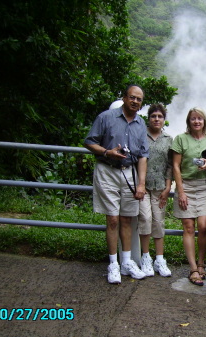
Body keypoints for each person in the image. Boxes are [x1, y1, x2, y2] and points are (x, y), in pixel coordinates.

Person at [84, 85, 148, 284]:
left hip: (129, 173)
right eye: (132, 97)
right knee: (112, 219)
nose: (135, 101)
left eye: (139, 99)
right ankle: (113, 264)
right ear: (124, 98)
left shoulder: (140, 123)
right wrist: (106, 152)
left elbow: (143, 155)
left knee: (127, 219)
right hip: (107, 170)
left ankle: (126, 261)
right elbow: (89, 141)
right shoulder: (106, 117)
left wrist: (141, 185)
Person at [171, 107, 206, 286]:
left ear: (204, 121)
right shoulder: (181, 139)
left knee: (204, 226)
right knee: (188, 227)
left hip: (204, 186)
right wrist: (180, 191)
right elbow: (175, 166)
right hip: (186, 185)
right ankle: (193, 269)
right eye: (193, 119)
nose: (196, 121)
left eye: (200, 119)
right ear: (188, 122)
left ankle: (201, 263)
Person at [137, 104, 173, 277]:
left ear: (164, 119)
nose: (156, 119)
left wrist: (168, 187)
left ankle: (160, 259)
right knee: (145, 218)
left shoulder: (168, 139)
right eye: (153, 116)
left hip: (160, 187)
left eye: (160, 116)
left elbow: (170, 165)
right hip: (142, 185)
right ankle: (145, 257)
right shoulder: (140, 135)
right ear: (148, 118)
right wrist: (139, 184)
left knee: (158, 221)